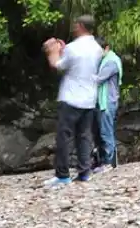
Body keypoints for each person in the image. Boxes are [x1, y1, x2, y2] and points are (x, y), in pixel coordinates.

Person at [42, 15, 104, 187]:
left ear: (81, 26)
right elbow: (77, 63)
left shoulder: (73, 47)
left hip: (70, 98)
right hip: (89, 98)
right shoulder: (97, 48)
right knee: (84, 136)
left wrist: (52, 51)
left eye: (75, 24)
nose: (73, 27)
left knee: (64, 136)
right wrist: (64, 49)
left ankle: (62, 175)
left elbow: (58, 65)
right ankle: (84, 172)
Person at [93, 37, 122, 172]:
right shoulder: (104, 60)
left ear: (106, 48)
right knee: (102, 132)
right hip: (104, 101)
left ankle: (110, 162)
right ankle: (106, 161)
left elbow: (98, 79)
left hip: (108, 101)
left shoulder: (111, 61)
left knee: (106, 132)